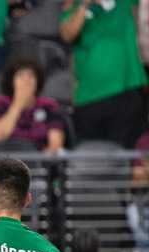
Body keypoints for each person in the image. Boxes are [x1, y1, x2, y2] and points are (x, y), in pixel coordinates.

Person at [60, 0, 148, 149]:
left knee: (125, 160)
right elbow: (67, 34)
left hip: (125, 93)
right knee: (91, 161)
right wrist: (84, 4)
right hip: (88, 97)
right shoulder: (76, 6)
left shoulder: (125, 4)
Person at [0, 57, 66, 154]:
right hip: (7, 158)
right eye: (20, 76)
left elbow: (55, 145)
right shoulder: (0, 103)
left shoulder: (49, 105)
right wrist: (18, 104)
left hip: (38, 161)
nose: (26, 81)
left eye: (31, 76)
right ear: (12, 81)